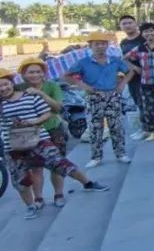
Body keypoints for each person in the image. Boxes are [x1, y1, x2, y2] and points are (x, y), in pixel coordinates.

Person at [0, 68, 108, 218]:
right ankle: (30, 206)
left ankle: (88, 183)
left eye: (5, 84)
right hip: (13, 146)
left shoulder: (29, 96)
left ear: (12, 83)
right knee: (19, 179)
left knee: (60, 163)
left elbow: (47, 113)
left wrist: (33, 121)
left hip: (39, 140)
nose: (3, 88)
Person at [67, 32, 134, 167]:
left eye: (103, 44)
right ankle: (96, 156)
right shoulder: (84, 62)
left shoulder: (114, 60)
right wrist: (83, 86)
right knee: (95, 127)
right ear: (90, 46)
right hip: (94, 96)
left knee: (116, 126)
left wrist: (122, 84)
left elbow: (130, 71)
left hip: (112, 95)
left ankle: (120, 153)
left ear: (107, 45)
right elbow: (67, 75)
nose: (100, 47)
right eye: (97, 44)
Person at [17, 57, 68, 205]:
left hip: (53, 129)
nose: (35, 75)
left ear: (43, 73)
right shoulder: (18, 88)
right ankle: (38, 198)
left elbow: (57, 108)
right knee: (35, 168)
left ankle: (58, 195)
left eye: (38, 72)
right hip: (30, 133)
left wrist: (40, 94)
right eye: (30, 72)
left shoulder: (52, 86)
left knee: (57, 165)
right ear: (23, 74)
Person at [119, 14, 146, 140]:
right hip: (131, 77)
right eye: (124, 23)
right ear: (120, 26)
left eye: (130, 22)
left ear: (136, 24)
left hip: (145, 76)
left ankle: (147, 129)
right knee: (138, 103)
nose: (127, 25)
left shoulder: (143, 39)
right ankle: (144, 128)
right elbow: (123, 60)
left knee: (144, 103)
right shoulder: (123, 43)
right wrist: (133, 67)